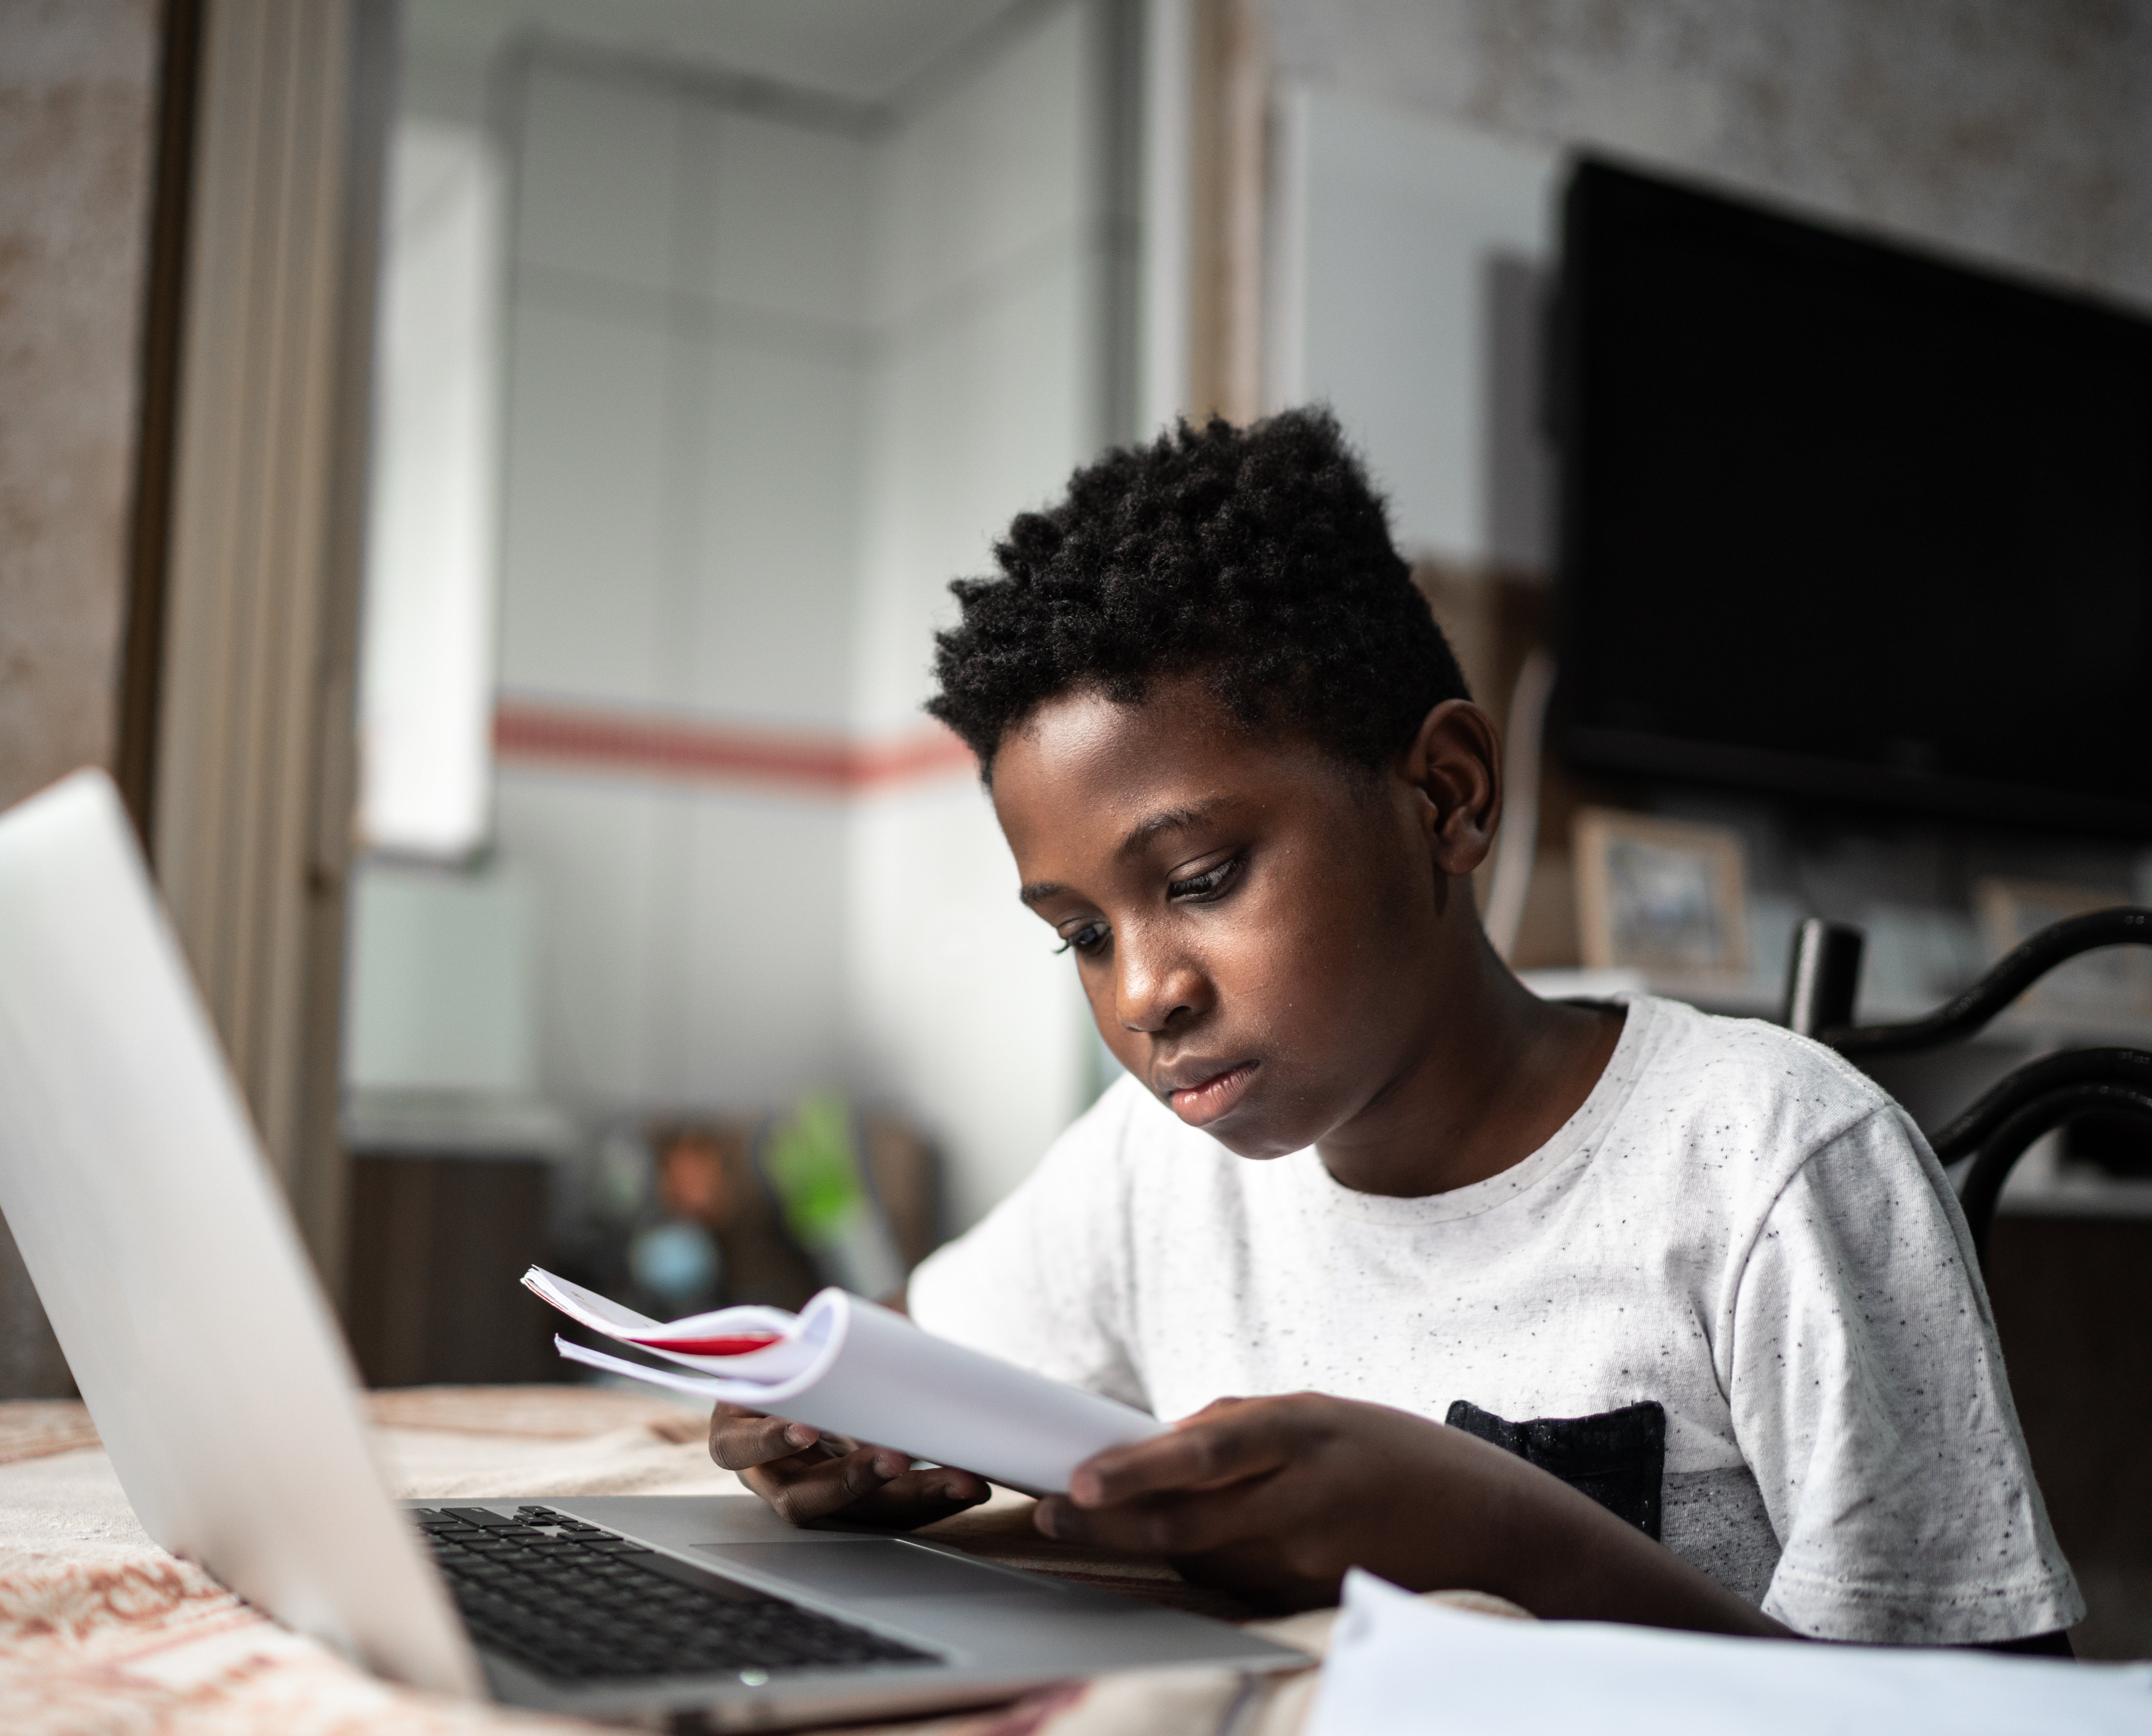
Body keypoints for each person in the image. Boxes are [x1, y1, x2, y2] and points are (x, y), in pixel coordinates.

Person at [708, 409, 2080, 1647]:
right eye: (1081, 932)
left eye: (1198, 882)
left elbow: (1992, 1711)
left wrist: (1500, 1539)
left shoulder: (1768, 1161)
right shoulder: (1154, 1162)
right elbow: (918, 1332)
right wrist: (832, 1415)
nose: (1141, 995)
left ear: (1443, 796)